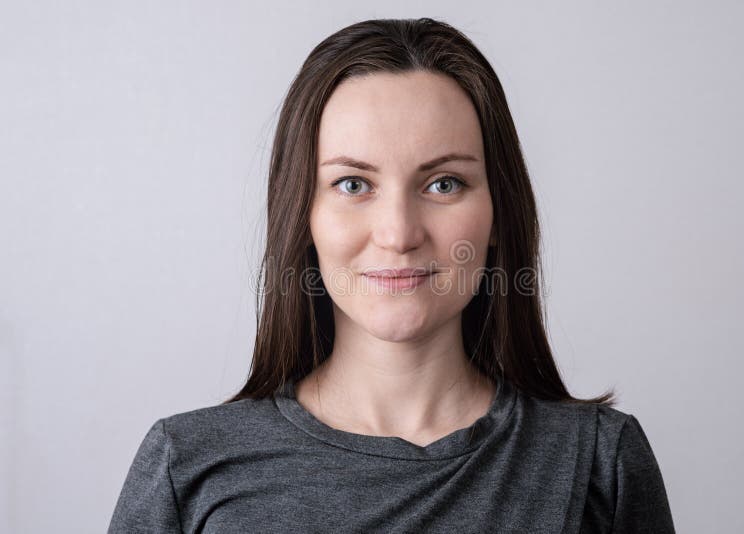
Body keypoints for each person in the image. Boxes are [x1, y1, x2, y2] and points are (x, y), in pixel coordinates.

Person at [108, 17, 675, 533]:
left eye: (444, 183)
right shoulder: (186, 465)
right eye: (354, 184)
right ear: (302, 216)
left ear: (499, 212)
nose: (399, 233)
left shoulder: (602, 463)